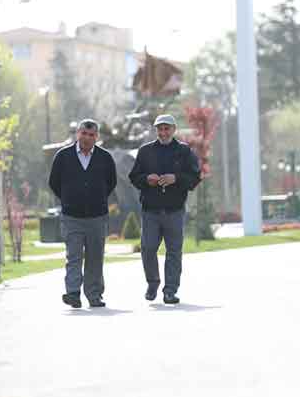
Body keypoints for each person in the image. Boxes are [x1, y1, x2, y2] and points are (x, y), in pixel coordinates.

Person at [128, 114, 201, 304]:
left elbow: (194, 177)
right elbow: (134, 177)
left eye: (166, 128)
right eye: (160, 129)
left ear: (174, 129)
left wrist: (176, 178)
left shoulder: (184, 152)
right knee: (148, 248)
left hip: (175, 211)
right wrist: (146, 179)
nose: (163, 132)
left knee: (174, 252)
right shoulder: (145, 151)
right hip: (150, 211)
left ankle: (170, 291)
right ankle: (153, 283)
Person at [49, 119, 117, 308]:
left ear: (97, 137)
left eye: (91, 135)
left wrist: (97, 198)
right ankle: (72, 293)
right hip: (72, 217)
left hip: (97, 217)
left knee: (95, 257)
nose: (87, 138)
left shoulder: (105, 158)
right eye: (84, 134)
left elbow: (111, 182)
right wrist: (69, 199)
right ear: (77, 134)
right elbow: (54, 182)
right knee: (74, 256)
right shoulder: (63, 156)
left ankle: (94, 295)